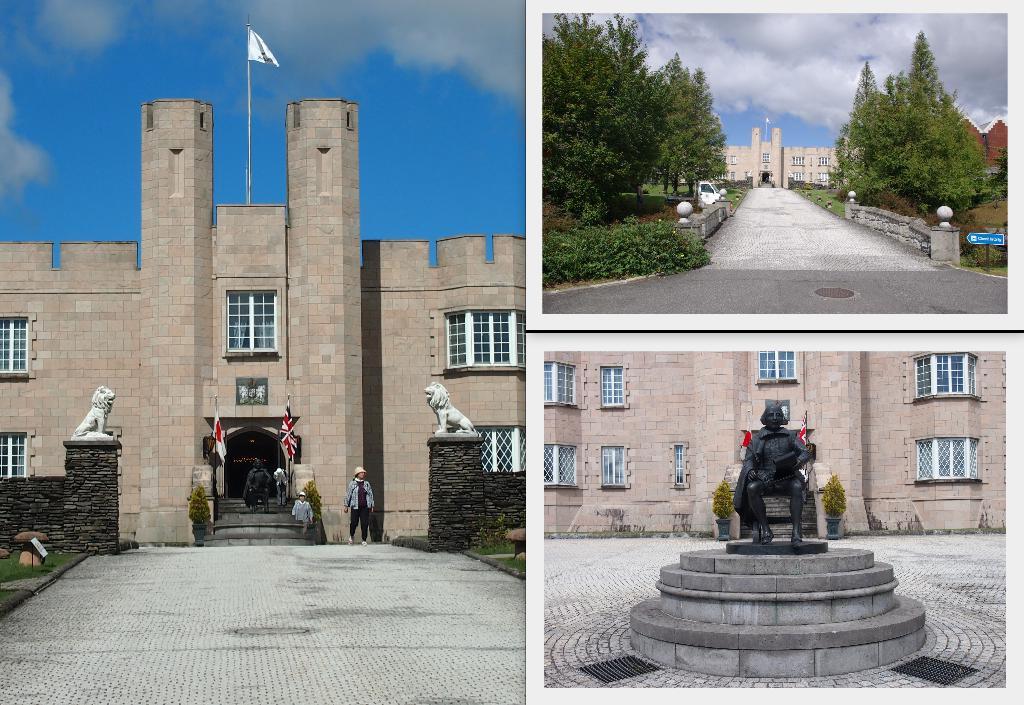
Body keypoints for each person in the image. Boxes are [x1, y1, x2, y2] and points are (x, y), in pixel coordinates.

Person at [344, 467, 374, 545]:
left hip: (365, 507)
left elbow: (370, 494)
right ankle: (351, 536)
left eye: (364, 473)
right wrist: (346, 505)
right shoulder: (352, 483)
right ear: (357, 474)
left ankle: (364, 540)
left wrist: (372, 505)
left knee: (365, 523)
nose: (363, 474)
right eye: (361, 472)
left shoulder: (366, 483)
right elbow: (348, 494)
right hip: (355, 507)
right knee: (354, 522)